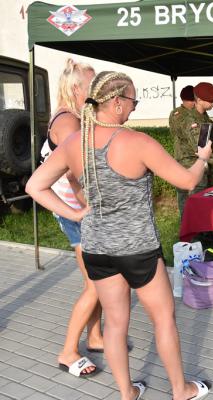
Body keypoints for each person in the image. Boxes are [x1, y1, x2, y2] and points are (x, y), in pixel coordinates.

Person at [26, 71, 210, 400]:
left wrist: (76, 214)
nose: (135, 109)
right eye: (133, 101)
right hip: (138, 249)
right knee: (164, 319)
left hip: (97, 247)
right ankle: (180, 390)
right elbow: (186, 181)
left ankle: (127, 393)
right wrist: (203, 160)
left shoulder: (73, 144)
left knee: (114, 323)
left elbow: (34, 186)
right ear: (116, 103)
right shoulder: (137, 142)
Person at [39, 59, 103, 378]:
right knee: (97, 284)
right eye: (93, 87)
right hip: (77, 213)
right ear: (77, 88)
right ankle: (68, 351)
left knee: (95, 280)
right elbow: (78, 177)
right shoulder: (68, 123)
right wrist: (93, 210)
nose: (96, 94)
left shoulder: (69, 117)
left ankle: (95, 336)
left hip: (75, 212)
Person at [172, 81, 213, 217]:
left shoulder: (200, 115)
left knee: (199, 204)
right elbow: (193, 139)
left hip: (198, 162)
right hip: (185, 162)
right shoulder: (179, 115)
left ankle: (200, 234)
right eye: (191, 100)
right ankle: (189, 236)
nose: (193, 103)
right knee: (187, 204)